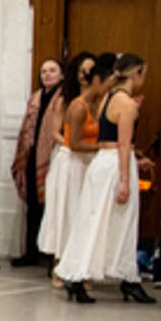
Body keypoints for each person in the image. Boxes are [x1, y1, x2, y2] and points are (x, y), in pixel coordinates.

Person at [55, 54, 155, 304]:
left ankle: (86, 274)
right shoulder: (127, 105)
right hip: (115, 164)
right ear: (136, 74)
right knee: (122, 221)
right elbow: (124, 143)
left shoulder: (106, 98)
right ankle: (115, 278)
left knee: (92, 218)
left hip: (101, 162)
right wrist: (124, 179)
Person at [39, 52, 102, 276]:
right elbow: (55, 132)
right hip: (69, 157)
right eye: (82, 70)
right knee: (66, 210)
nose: (86, 74)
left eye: (91, 70)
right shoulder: (65, 100)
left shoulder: (100, 102)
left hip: (91, 159)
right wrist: (72, 143)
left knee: (87, 212)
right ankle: (59, 263)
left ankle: (82, 265)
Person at [9, 59, 66, 266]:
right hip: (33, 157)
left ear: (61, 75)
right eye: (43, 71)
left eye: (52, 70)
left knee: (53, 206)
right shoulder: (35, 98)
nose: (47, 75)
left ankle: (52, 253)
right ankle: (31, 252)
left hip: (55, 155)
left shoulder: (64, 98)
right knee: (33, 206)